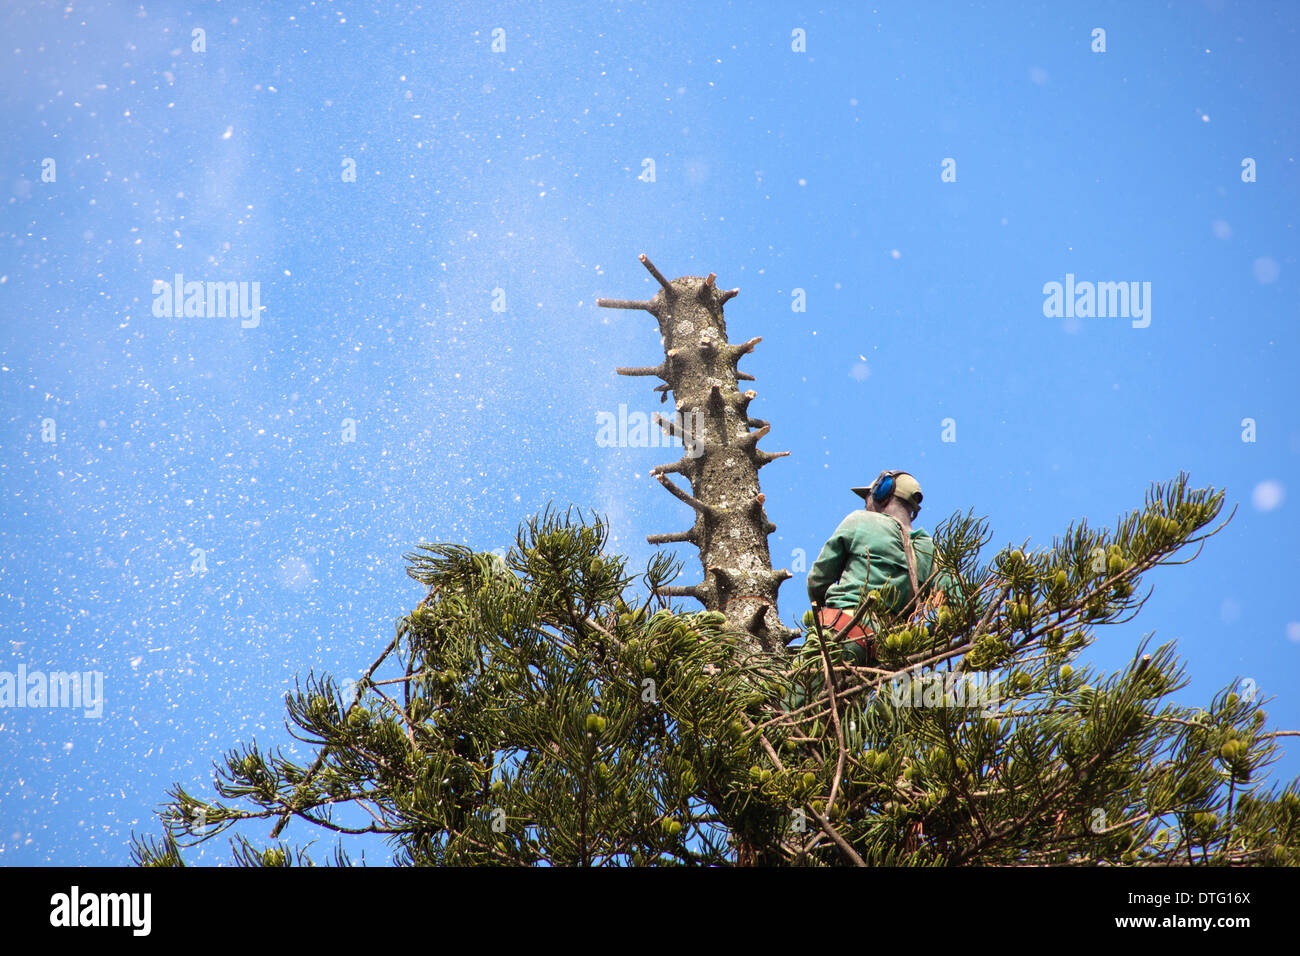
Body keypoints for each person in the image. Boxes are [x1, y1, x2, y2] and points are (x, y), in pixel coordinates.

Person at [805, 470, 949, 666]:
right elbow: (958, 605)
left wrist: (821, 607)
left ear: (883, 493)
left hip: (839, 629)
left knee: (796, 693)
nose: (865, 504)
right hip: (878, 655)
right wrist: (922, 639)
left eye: (868, 497)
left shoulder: (860, 520)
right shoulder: (930, 550)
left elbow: (817, 580)